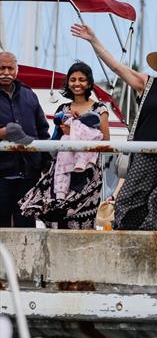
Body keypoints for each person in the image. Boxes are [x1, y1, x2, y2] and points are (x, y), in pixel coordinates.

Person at [72, 25, 157, 231]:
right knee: (128, 202)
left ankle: (155, 248)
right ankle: (128, 242)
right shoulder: (148, 83)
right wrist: (94, 40)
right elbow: (116, 67)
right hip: (145, 153)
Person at [19, 62, 109, 229]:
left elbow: (105, 142)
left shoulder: (99, 108)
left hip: (88, 172)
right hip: (62, 169)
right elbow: (56, 138)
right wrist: (66, 131)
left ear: (89, 83)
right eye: (73, 79)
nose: (77, 83)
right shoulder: (62, 109)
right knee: (59, 217)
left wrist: (76, 131)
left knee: (84, 219)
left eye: (82, 79)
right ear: (68, 82)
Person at [0, 52, 50, 227]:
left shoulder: (30, 95)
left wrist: (46, 162)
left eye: (10, 68)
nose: (6, 72)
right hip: (2, 176)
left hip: (29, 175)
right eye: (2, 68)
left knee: (27, 230)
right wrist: (3, 133)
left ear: (16, 70)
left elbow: (43, 130)